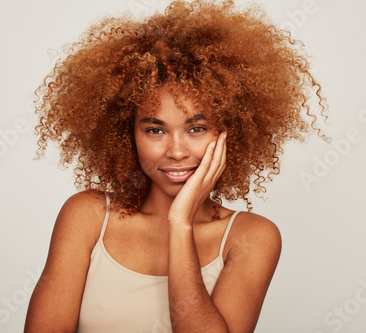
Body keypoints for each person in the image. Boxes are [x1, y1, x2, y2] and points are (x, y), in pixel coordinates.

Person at [24, 0, 328, 332]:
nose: (177, 151)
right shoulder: (88, 216)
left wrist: (180, 222)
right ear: (128, 134)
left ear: (231, 131)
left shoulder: (251, 237)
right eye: (155, 130)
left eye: (196, 128)